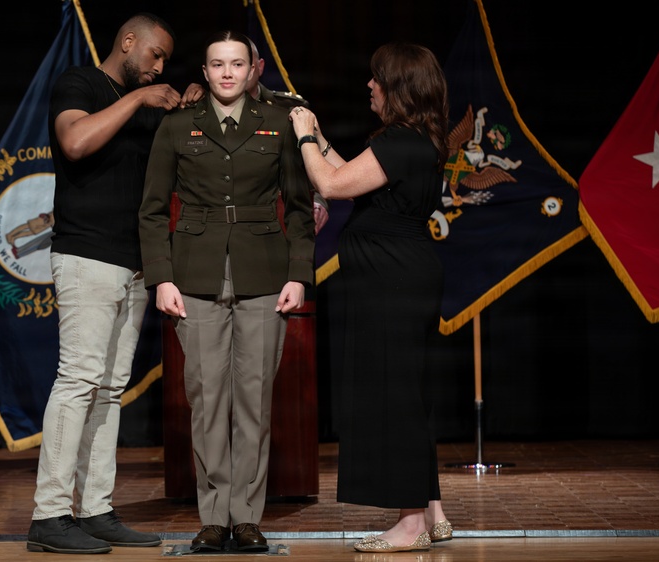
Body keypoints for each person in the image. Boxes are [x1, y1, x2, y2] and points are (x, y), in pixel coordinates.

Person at [26, 12, 203, 555]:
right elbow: (76, 141)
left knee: (108, 390)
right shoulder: (80, 82)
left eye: (166, 62)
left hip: (135, 265)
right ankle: (49, 515)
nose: (159, 67)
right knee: (78, 379)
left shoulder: (149, 107)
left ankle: (95, 507)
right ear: (128, 42)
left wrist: (193, 107)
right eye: (155, 55)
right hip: (86, 256)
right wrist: (136, 102)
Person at [139, 30, 315, 553]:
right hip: (194, 275)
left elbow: (301, 208)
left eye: (237, 64)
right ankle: (214, 516)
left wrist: (299, 274)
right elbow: (151, 210)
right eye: (218, 64)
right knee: (208, 398)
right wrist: (162, 279)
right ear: (206, 70)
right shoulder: (176, 126)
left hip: (264, 273)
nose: (228, 73)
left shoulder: (279, 124)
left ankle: (248, 516)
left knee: (255, 401)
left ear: (253, 69)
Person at [289, 42, 451, 553]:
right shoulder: (414, 140)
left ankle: (408, 526)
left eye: (377, 78)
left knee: (396, 398)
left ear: (398, 86)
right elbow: (356, 178)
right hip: (402, 276)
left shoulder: (402, 142)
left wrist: (301, 138)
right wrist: (317, 134)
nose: (369, 86)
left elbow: (333, 185)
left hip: (392, 283)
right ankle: (431, 512)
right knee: (408, 394)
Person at [246, 39, 329, 234]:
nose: (235, 72)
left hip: (285, 226)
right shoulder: (198, 110)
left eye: (243, 64)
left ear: (260, 67)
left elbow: (316, 165)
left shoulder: (291, 109)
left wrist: (319, 201)